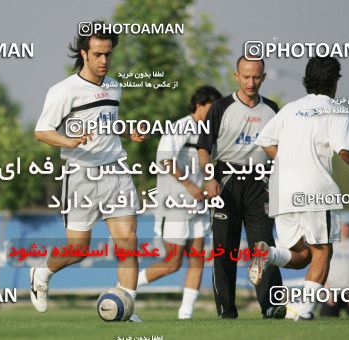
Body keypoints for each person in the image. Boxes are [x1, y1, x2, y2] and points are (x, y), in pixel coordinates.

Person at [31, 21, 146, 321]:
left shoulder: (114, 86)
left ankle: (127, 307)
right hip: (81, 175)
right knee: (78, 249)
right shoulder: (63, 90)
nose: (104, 61)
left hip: (116, 171)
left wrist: (128, 130)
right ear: (84, 53)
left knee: (128, 241)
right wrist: (68, 140)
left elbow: (107, 123)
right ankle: (41, 271)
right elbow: (42, 131)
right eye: (98, 54)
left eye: (108, 54)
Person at [250, 56, 349, 320]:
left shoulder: (290, 109)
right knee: (323, 250)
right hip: (316, 192)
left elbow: (263, 139)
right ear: (335, 81)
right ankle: (307, 312)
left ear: (306, 80)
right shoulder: (335, 109)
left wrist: (288, 162)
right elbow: (344, 150)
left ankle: (269, 253)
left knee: (303, 255)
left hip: (281, 190)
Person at [197, 56, 285, 319]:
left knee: (264, 247)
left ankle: (271, 306)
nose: (251, 82)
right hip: (226, 181)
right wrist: (209, 176)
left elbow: (281, 151)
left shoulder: (272, 109)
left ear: (264, 77)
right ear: (237, 76)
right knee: (225, 248)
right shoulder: (221, 107)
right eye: (246, 77)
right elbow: (203, 147)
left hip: (261, 182)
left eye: (256, 77)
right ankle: (226, 309)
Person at [136, 86, 223, 320]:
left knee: (197, 259)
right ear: (199, 105)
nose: (215, 112)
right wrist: (190, 186)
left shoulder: (210, 133)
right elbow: (165, 161)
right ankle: (125, 287)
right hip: (174, 205)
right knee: (172, 262)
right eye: (211, 107)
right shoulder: (181, 127)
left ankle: (186, 315)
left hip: (198, 206)